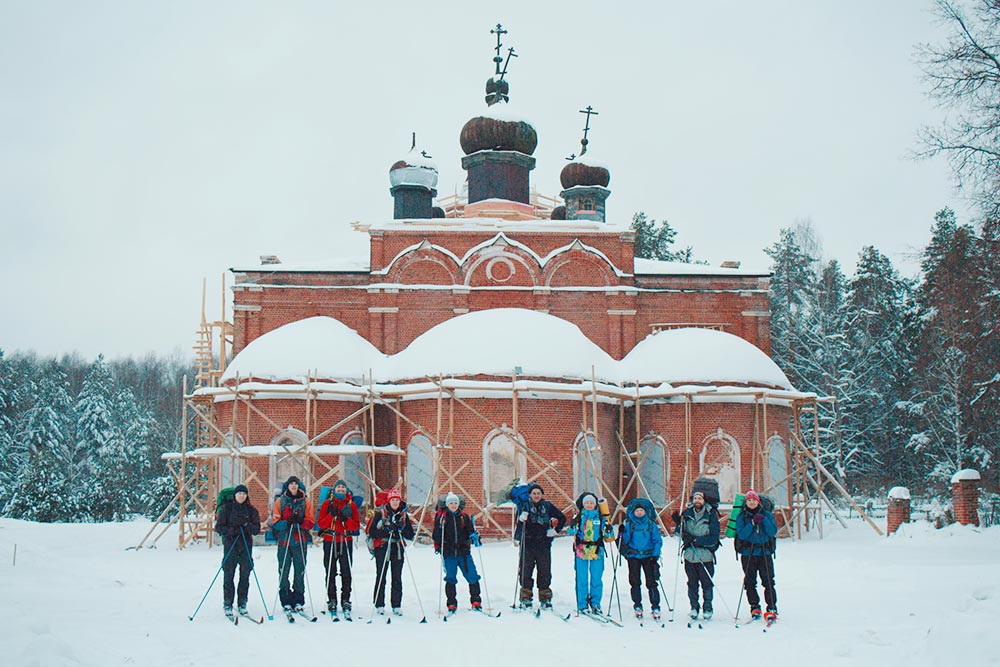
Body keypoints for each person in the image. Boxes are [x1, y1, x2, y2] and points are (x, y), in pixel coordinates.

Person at [513, 483, 566, 609]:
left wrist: (555, 530)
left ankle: (545, 597)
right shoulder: (524, 506)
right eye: (534, 493)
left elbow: (562, 517)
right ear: (530, 495)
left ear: (542, 495)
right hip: (528, 543)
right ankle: (526, 597)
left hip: (543, 543)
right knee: (526, 571)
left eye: (538, 493)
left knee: (544, 571)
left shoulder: (547, 506)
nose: (536, 495)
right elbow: (519, 525)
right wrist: (518, 532)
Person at [269, 475, 315, 613]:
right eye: (291, 484)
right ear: (287, 486)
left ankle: (298, 598)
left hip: (300, 540)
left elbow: (311, 521)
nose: (293, 486)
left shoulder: (306, 501)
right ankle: (285, 598)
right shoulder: (280, 502)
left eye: (296, 484)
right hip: (284, 541)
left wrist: (301, 522)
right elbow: (275, 521)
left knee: (299, 571)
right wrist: (286, 523)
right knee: (284, 570)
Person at [214, 484, 261, 619]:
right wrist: (231, 530)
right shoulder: (227, 509)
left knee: (245, 574)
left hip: (245, 545)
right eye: (239, 493)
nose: (242, 496)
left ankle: (242, 602)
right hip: (231, 545)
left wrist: (246, 525)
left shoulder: (251, 510)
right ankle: (228, 602)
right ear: (235, 495)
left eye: (244, 494)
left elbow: (256, 529)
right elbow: (219, 528)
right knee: (229, 573)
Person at [316, 479, 360, 619]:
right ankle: (332, 599)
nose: (341, 489)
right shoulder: (327, 504)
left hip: (345, 540)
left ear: (346, 491)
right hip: (330, 540)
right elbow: (321, 524)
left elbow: (356, 526)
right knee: (330, 571)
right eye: (338, 487)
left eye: (343, 488)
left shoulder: (351, 505)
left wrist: (346, 518)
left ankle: (346, 599)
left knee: (346, 571)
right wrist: (331, 515)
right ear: (334, 490)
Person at [366, 488, 415, 615]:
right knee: (381, 575)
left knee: (397, 576)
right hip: (382, 547)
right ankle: (379, 604)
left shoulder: (403, 515)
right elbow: (372, 531)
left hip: (397, 547)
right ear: (389, 501)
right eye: (392, 500)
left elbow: (410, 534)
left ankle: (396, 604)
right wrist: (386, 530)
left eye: (396, 500)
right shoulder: (381, 513)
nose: (394, 502)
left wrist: (401, 529)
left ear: (400, 501)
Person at [432, 492, 483, 614]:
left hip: (464, 553)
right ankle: (451, 603)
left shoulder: (464, 517)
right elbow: (436, 536)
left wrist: (474, 537)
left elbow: (471, 530)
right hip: (449, 554)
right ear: (447, 505)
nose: (453, 505)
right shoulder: (442, 518)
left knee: (472, 575)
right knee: (450, 578)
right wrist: (440, 530)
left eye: (455, 503)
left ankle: (476, 601)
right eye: (451, 503)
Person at [673, 489, 720, 620]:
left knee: (707, 583)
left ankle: (708, 607)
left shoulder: (710, 514)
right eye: (695, 498)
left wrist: (696, 540)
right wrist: (678, 524)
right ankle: (694, 607)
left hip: (705, 555)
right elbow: (679, 534)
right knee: (692, 583)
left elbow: (714, 537)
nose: (697, 501)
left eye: (700, 498)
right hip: (690, 555)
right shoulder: (687, 514)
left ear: (704, 501)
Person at [568, 492, 615, 614]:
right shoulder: (579, 517)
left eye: (591, 503)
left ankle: (595, 603)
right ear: (583, 505)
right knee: (582, 578)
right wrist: (572, 526)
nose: (589, 505)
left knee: (596, 579)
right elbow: (570, 532)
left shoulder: (600, 518)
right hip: (581, 551)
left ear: (595, 505)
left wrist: (609, 529)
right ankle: (582, 603)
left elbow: (608, 536)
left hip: (596, 551)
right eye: (587, 503)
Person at [735, 489, 778, 622]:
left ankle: (771, 607)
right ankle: (754, 606)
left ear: (758, 502)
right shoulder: (742, 517)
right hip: (748, 553)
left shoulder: (766, 514)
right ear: (746, 502)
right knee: (749, 581)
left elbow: (772, 531)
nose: (751, 502)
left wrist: (763, 520)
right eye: (749, 500)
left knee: (768, 581)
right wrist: (752, 523)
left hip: (764, 552)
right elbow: (741, 534)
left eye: (754, 500)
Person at [618, 497, 663, 619]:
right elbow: (625, 541)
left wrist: (655, 555)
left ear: (645, 512)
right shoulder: (629, 524)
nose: (639, 513)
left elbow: (657, 540)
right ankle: (637, 604)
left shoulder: (650, 524)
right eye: (637, 511)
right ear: (633, 512)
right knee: (635, 581)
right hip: (633, 556)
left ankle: (655, 605)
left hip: (648, 557)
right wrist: (622, 533)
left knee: (652, 582)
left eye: (641, 511)